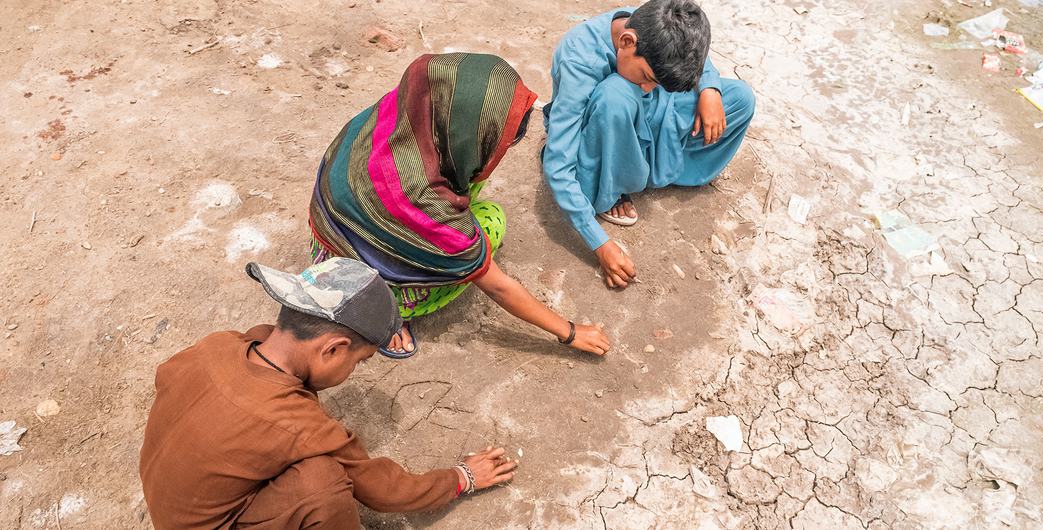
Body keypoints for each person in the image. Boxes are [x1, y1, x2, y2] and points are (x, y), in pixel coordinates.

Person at [139, 257, 518, 528]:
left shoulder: (216, 345)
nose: (353, 371)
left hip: (172, 503)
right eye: (359, 361)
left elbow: (167, 379)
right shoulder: (297, 424)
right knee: (321, 483)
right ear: (333, 349)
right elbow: (384, 490)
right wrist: (461, 477)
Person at [309, 52, 611, 357]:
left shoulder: (404, 107)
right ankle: (387, 311)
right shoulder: (426, 203)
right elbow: (498, 287)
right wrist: (570, 332)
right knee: (492, 221)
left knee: (466, 177)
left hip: (329, 237)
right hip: (366, 279)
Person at [542, 0, 756, 289]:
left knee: (741, 97)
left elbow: (692, 57)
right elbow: (557, 165)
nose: (648, 85)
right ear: (627, 42)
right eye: (647, 77)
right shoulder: (579, 60)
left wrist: (710, 89)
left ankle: (643, 170)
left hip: (648, 115)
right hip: (605, 126)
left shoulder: (655, 26)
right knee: (616, 94)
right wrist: (600, 244)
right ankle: (612, 183)